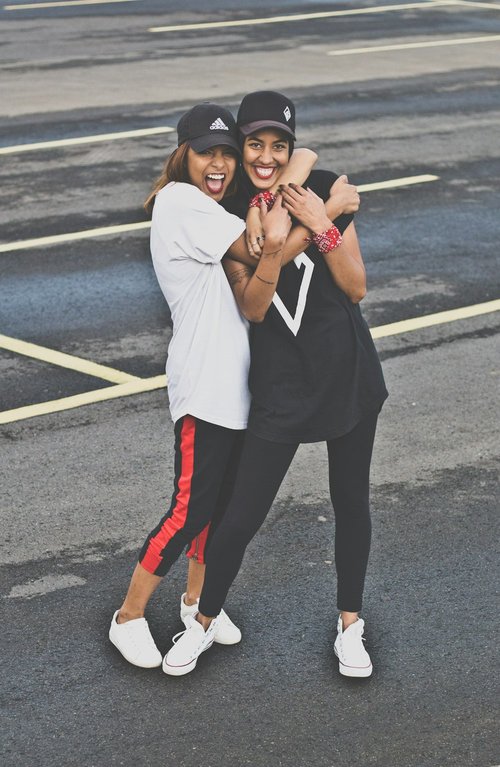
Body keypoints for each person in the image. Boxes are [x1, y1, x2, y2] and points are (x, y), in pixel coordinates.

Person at [164, 91, 388, 679]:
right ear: (240, 147)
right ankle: (202, 622)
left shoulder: (324, 188)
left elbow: (356, 287)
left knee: (351, 504)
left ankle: (350, 627)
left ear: (291, 147)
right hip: (279, 386)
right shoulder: (230, 210)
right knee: (240, 515)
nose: (267, 156)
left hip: (346, 373)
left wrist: (324, 220)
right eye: (255, 144)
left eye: (280, 146)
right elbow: (256, 305)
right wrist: (310, 213)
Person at [109, 101, 317, 668]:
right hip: (204, 386)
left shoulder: (212, 206)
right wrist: (322, 207)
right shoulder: (180, 201)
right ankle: (128, 617)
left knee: (217, 511)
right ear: (184, 156)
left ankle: (197, 602)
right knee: (188, 510)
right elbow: (264, 249)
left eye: (228, 152)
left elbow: (266, 221)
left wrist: (275, 191)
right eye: (207, 153)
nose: (219, 164)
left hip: (238, 389)